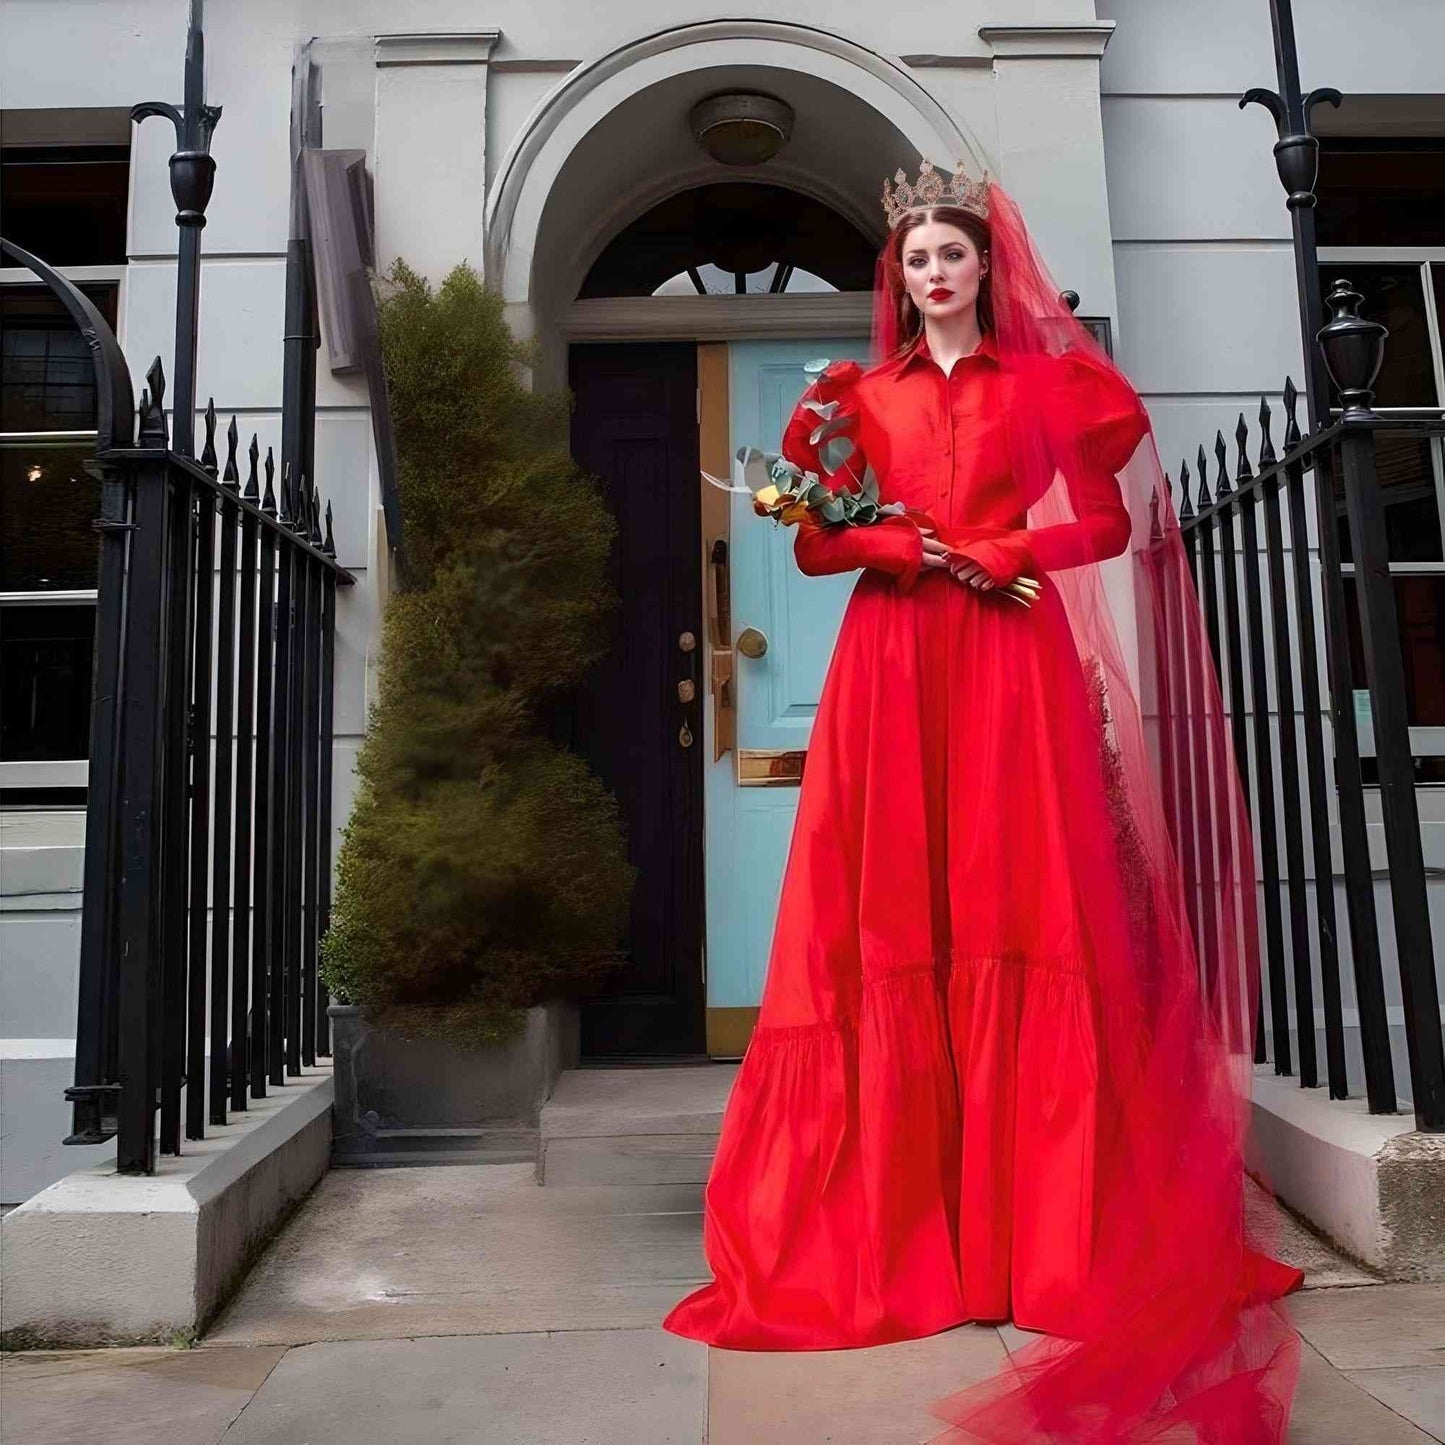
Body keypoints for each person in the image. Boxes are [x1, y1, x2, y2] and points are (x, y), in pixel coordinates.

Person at [664, 160, 1303, 1441]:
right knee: (898, 915)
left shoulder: (1047, 387)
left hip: (1012, 668)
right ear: (895, 282)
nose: (932, 275)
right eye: (913, 260)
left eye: (949, 255)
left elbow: (1110, 525)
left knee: (1027, 910)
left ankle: (1045, 1247)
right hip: (891, 670)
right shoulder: (852, 399)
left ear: (983, 267)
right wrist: (892, 542)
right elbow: (808, 539)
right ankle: (907, 1244)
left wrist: (1014, 546)